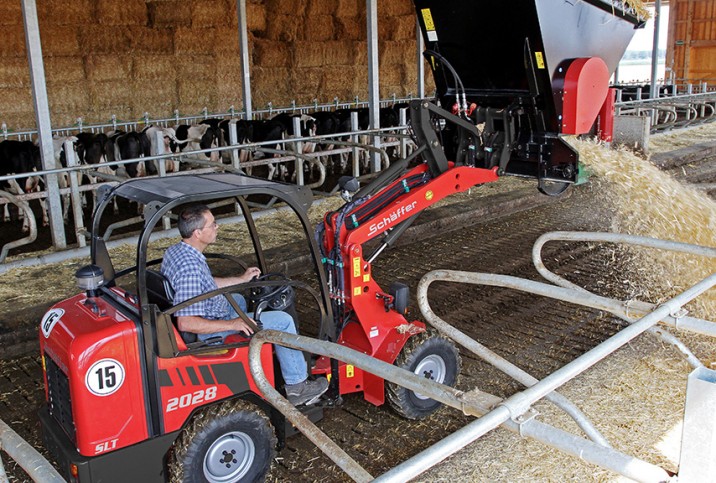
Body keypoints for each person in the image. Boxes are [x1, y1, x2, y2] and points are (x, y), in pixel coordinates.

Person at [161, 204, 328, 406]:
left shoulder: (178, 251)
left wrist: (241, 279)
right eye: (212, 224)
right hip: (207, 330)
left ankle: (277, 352)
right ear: (198, 233)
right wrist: (234, 323)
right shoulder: (189, 268)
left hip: (211, 309)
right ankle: (298, 387)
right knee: (283, 321)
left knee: (239, 299)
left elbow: (205, 284)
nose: (217, 227)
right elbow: (186, 323)